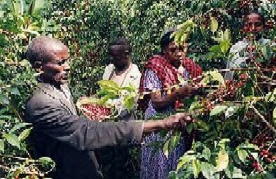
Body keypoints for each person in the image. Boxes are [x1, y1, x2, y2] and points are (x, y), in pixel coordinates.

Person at [25, 36, 192, 179]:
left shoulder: (59, 84)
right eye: (61, 62)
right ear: (39, 67)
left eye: (67, 60)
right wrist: (160, 124)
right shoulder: (40, 104)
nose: (68, 66)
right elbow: (84, 132)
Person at [139, 29, 203, 179]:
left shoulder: (190, 67)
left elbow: (200, 89)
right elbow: (156, 102)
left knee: (176, 162)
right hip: (158, 123)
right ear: (164, 50)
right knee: (158, 163)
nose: (179, 53)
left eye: (182, 48)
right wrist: (179, 93)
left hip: (179, 123)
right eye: (173, 50)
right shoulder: (155, 67)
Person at [100, 38, 142, 178]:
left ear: (126, 54)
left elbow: (129, 105)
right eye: (111, 56)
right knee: (106, 164)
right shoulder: (109, 70)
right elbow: (102, 93)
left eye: (116, 57)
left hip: (124, 128)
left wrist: (107, 107)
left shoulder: (135, 76)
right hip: (106, 126)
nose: (113, 60)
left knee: (121, 165)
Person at [225, 11, 274, 80]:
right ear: (243, 28)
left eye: (257, 24)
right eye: (248, 24)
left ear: (264, 27)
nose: (253, 28)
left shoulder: (270, 45)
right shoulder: (236, 47)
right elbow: (229, 75)